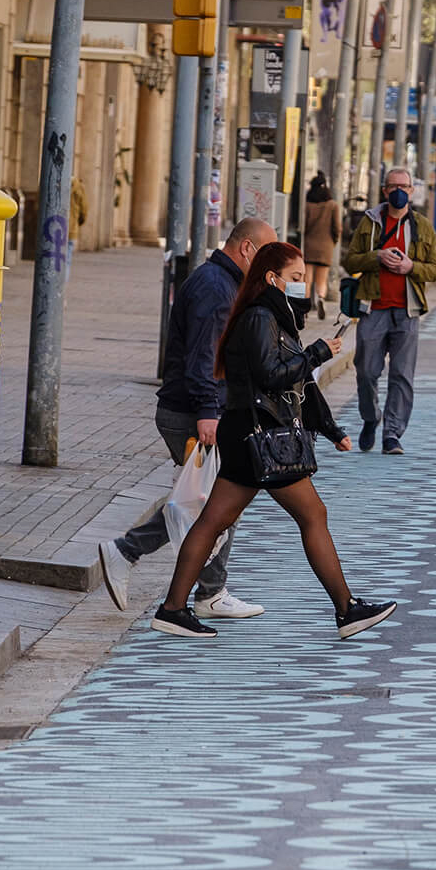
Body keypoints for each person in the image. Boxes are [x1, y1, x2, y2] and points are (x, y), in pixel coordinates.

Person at [149, 240, 397, 640]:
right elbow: (273, 375)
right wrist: (317, 353)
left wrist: (332, 429)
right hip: (261, 436)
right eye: (295, 278)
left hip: (249, 433)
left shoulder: (272, 315)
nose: (302, 285)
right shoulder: (260, 317)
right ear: (272, 278)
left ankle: (173, 609)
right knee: (312, 515)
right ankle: (346, 609)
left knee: (214, 520)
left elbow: (296, 383)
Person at [99, 217, 276, 620]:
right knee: (212, 502)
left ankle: (209, 590)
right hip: (193, 412)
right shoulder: (216, 289)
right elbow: (203, 359)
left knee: (210, 501)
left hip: (201, 408)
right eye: (265, 254)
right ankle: (136, 556)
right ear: (247, 249)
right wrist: (208, 412)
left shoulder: (223, 282)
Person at [341, 166, 436, 456]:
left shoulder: (423, 226)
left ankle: (392, 434)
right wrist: (377, 257)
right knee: (366, 372)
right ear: (385, 191)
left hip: (407, 311)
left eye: (404, 186)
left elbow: (435, 270)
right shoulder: (370, 222)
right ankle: (371, 418)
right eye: (393, 186)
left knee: (402, 375)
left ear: (411, 191)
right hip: (373, 308)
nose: (399, 191)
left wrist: (412, 267)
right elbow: (350, 262)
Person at [303, 174, 343, 315]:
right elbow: (337, 227)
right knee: (322, 279)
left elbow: (305, 226)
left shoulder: (308, 205)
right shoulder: (332, 205)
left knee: (306, 279)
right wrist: (334, 241)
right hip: (326, 246)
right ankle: (320, 297)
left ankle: (305, 307)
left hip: (309, 245)